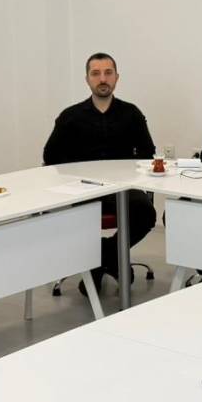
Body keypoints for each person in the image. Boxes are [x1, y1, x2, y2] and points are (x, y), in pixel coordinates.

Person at [43, 52, 157, 292]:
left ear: (117, 77)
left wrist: (127, 171)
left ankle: (102, 258)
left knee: (146, 213)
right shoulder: (70, 116)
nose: (102, 79)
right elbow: (51, 157)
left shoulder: (131, 114)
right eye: (96, 74)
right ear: (87, 79)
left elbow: (148, 153)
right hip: (82, 189)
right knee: (75, 219)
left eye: (108, 73)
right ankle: (112, 259)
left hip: (123, 187)